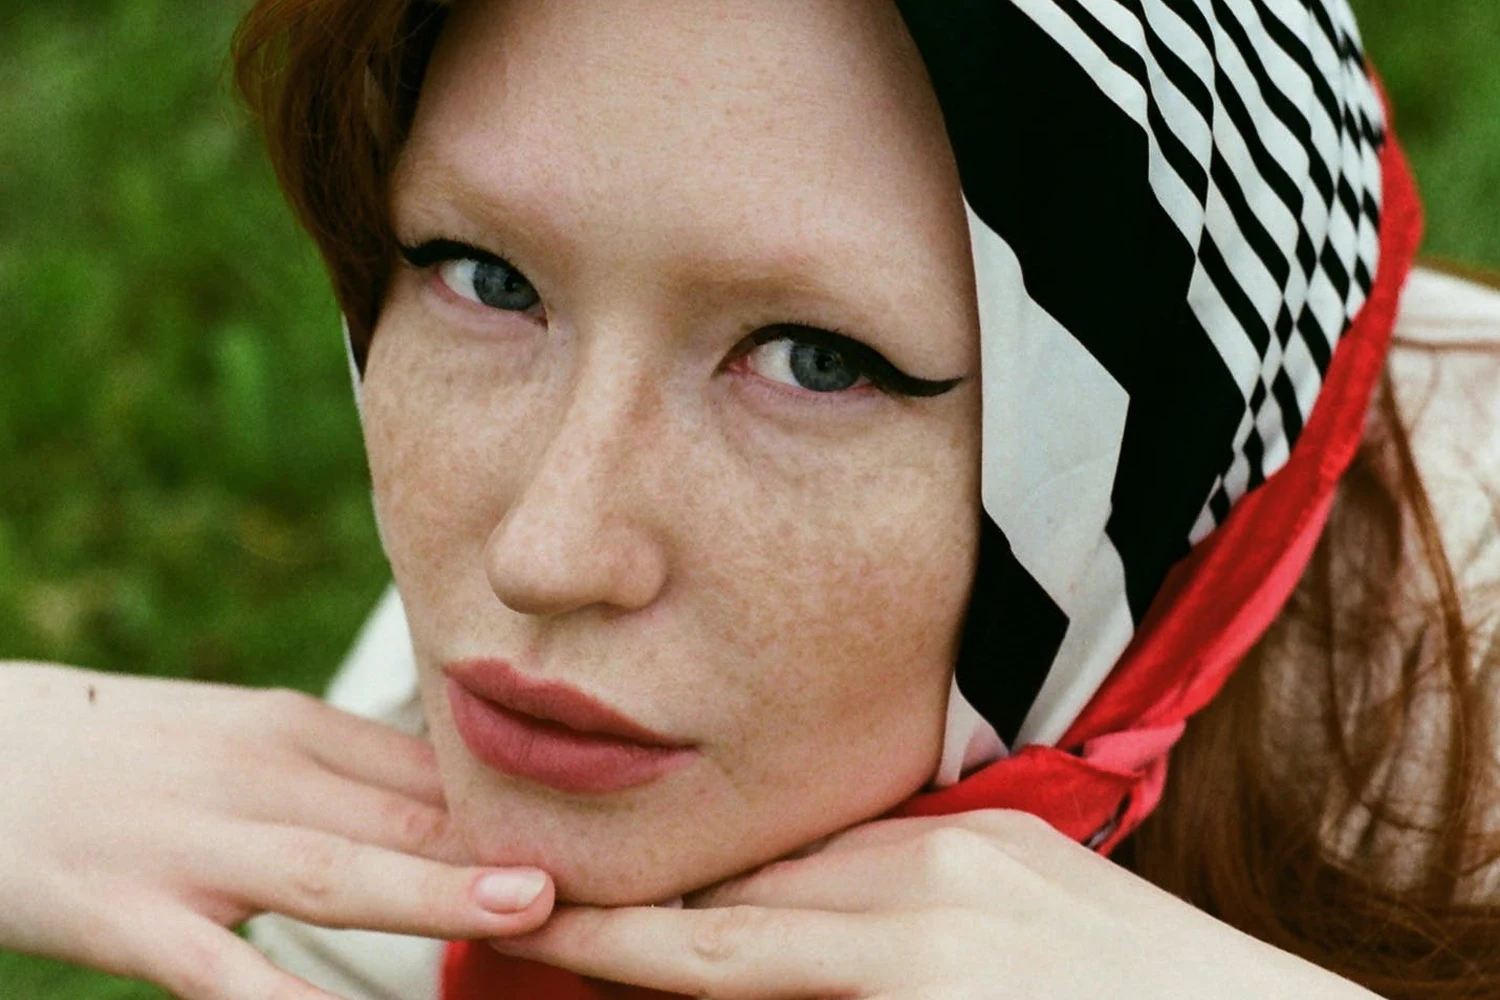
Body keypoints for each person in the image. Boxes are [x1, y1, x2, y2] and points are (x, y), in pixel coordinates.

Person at [3, 1, 1499, 999]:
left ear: (1144, 449)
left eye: (815, 360)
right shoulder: (418, 825)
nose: (546, 551)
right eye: (488, 276)